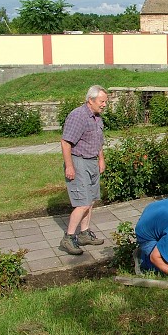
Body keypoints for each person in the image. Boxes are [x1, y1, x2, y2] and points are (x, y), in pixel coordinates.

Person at [59, 85, 108, 255]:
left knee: (91, 200)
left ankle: (84, 233)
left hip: (92, 161)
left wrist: (101, 159)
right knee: (83, 202)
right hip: (78, 161)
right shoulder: (78, 116)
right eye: (102, 101)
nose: (104, 105)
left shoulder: (96, 117)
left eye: (105, 102)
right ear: (91, 100)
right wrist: (70, 165)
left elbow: (98, 141)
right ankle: (68, 237)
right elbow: (65, 142)